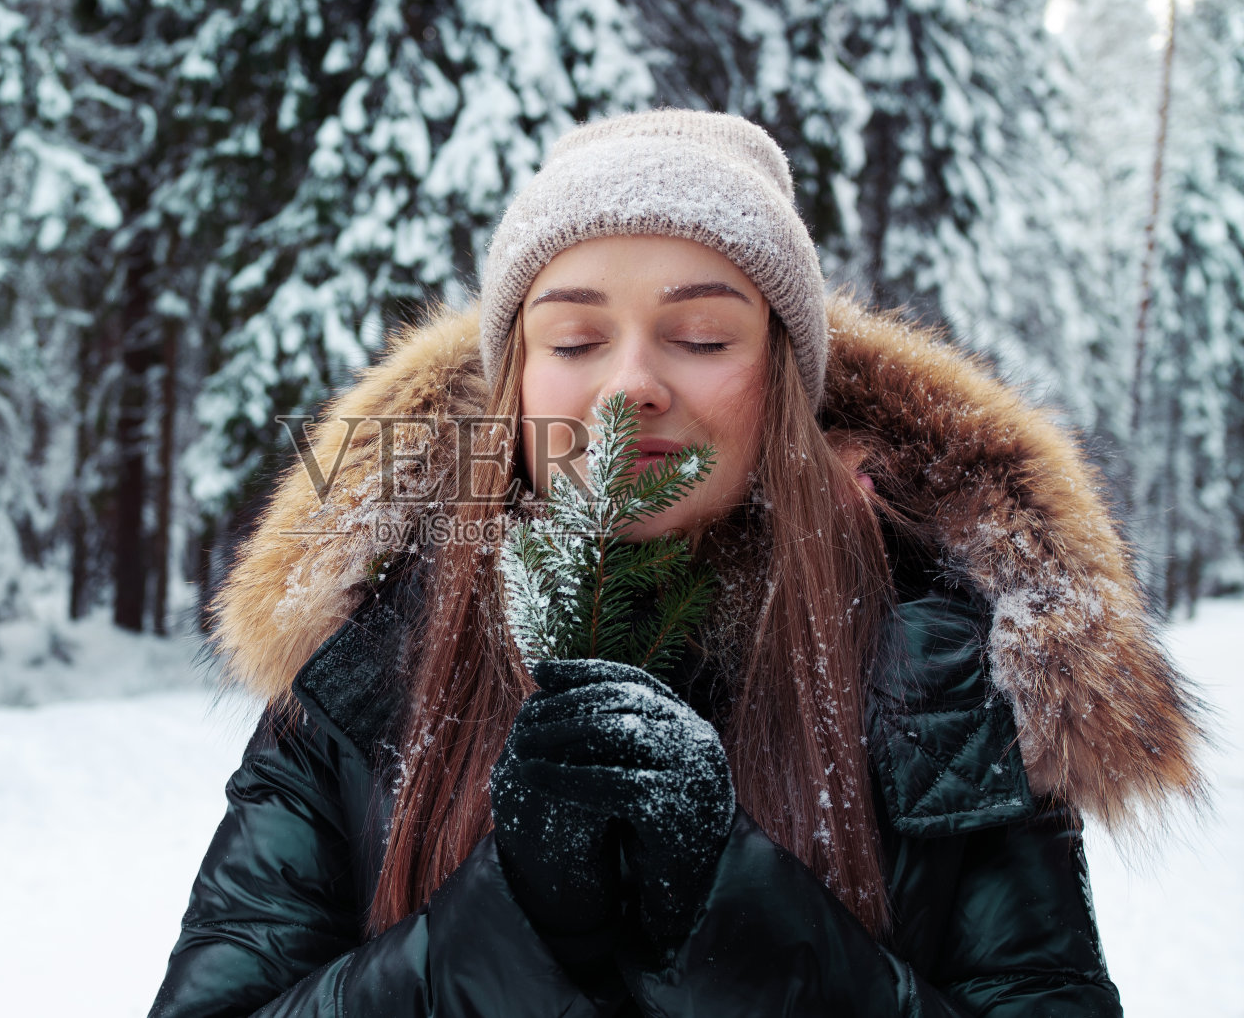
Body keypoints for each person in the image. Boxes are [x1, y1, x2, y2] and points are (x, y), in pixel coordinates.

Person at [148, 110, 1206, 1016]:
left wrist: (749, 920)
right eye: (573, 341)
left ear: (780, 379)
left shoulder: (938, 666)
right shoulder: (373, 653)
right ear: (515, 381)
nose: (631, 385)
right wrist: (497, 927)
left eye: (700, 336)